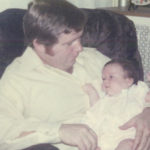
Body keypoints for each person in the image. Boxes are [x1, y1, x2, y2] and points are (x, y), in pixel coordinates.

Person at [0, 0, 149, 150]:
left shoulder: (92, 57)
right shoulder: (17, 79)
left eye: (79, 38)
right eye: (69, 43)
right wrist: (59, 130)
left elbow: (135, 88)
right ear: (40, 44)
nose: (79, 48)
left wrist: (147, 114)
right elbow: (4, 130)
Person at [82, 59, 150, 150]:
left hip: (130, 137)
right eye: (104, 78)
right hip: (106, 141)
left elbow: (148, 98)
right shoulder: (104, 100)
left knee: (128, 145)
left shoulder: (136, 91)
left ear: (128, 81)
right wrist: (92, 92)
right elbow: (95, 109)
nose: (106, 81)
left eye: (111, 77)